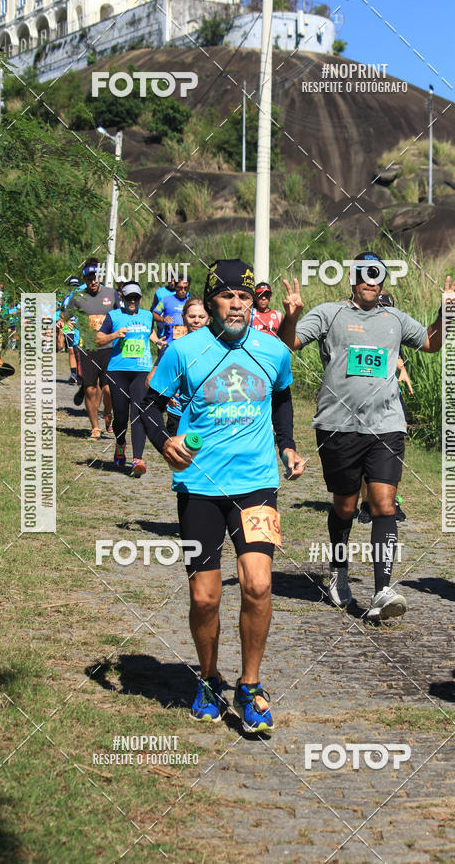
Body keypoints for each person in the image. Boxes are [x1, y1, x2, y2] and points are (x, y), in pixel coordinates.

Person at [139, 259, 305, 732]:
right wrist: (164, 442)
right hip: (200, 488)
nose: (238, 304)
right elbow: (147, 403)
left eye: (246, 297)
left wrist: (287, 445)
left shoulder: (272, 351)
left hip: (257, 484)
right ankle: (209, 678)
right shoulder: (184, 350)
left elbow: (281, 398)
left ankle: (250, 685)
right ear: (211, 302)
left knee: (257, 584)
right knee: (206, 595)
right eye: (229, 296)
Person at [279, 252, 455, 620]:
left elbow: (431, 342)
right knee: (344, 506)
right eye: (364, 274)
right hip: (338, 426)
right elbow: (288, 344)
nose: (370, 281)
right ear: (352, 277)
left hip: (386, 426)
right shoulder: (330, 313)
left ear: (383, 282)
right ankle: (338, 571)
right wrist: (292, 314)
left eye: (377, 276)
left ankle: (382, 589)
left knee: (383, 504)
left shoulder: (394, 318)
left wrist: (446, 312)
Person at [357, 291, 412, 525]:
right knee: (362, 452)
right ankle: (367, 503)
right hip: (362, 399)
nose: (383, 311)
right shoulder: (359, 330)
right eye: (380, 306)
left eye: (387, 307)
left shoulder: (394, 330)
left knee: (393, 446)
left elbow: (398, 358)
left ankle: (390, 500)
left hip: (391, 398)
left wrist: (403, 370)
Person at [96, 281, 154, 476]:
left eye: (135, 297)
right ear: (122, 297)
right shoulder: (113, 316)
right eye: (128, 297)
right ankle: (120, 444)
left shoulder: (148, 316)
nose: (132, 301)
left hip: (141, 370)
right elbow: (98, 339)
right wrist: (114, 335)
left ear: (140, 298)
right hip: (118, 370)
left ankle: (138, 459)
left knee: (138, 412)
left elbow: (150, 331)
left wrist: (157, 341)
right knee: (120, 415)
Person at [65, 259, 120, 440]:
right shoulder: (77, 296)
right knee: (90, 389)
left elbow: (121, 315)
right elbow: (66, 315)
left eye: (96, 278)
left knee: (108, 390)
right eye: (89, 279)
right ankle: (95, 428)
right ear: (85, 280)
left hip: (109, 347)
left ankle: (108, 413)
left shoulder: (111, 294)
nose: (93, 282)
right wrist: (61, 321)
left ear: (100, 277)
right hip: (87, 348)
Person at [165, 297, 210, 436]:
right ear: (184, 318)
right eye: (192, 316)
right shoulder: (174, 348)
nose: (196, 320)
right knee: (179, 457)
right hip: (178, 414)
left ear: (209, 319)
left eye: (201, 317)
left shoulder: (219, 347)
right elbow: (153, 380)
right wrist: (167, 396)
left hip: (208, 415)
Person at [61, 276, 83, 385]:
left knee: (79, 351)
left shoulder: (82, 298)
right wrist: (65, 320)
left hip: (80, 326)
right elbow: (62, 312)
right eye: (72, 286)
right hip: (68, 326)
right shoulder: (66, 299)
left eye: (76, 287)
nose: (73, 289)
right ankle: (73, 374)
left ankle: (81, 374)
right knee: (71, 350)